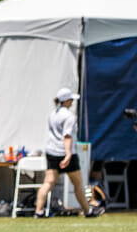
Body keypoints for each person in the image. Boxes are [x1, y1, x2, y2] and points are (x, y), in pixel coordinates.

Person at [35, 88, 104, 218]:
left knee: (48, 183)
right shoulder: (69, 116)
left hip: (52, 151)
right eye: (71, 100)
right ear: (66, 101)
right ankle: (88, 211)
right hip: (65, 152)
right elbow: (67, 136)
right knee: (78, 184)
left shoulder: (53, 114)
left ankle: (38, 211)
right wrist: (68, 155)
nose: (72, 102)